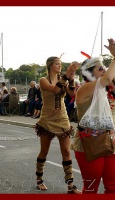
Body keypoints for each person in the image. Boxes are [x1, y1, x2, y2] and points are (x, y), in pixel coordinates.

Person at [71, 38, 115, 194]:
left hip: (110, 140)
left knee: (114, 186)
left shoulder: (106, 89)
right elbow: (107, 78)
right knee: (91, 189)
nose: (104, 70)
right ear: (90, 73)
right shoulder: (84, 89)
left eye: (104, 67)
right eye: (100, 68)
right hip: (89, 142)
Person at [34, 56, 81, 194]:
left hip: (62, 117)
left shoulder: (63, 79)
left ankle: (70, 185)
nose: (59, 66)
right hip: (47, 118)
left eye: (60, 64)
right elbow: (55, 89)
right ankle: (39, 180)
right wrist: (67, 75)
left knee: (66, 151)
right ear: (50, 65)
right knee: (44, 151)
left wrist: (71, 78)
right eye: (57, 63)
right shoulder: (43, 80)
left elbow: (72, 93)